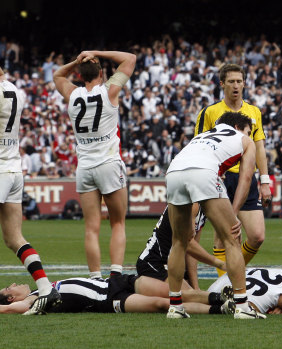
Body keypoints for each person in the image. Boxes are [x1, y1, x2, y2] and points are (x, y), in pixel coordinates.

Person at [166, 112, 263, 319]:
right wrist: (234, 214)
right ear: (238, 127)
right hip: (203, 172)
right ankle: (242, 306)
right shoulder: (244, 140)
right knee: (232, 238)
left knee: (178, 242)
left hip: (174, 171)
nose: (249, 134)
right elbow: (246, 178)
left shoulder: (201, 136)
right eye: (248, 130)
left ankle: (175, 306)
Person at [53, 51, 136, 279]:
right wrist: (97, 53)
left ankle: (95, 278)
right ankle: (116, 276)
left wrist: (76, 61)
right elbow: (130, 59)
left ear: (79, 75)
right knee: (118, 223)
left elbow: (58, 75)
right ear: (101, 73)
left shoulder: (72, 93)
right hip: (109, 163)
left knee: (91, 228)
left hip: (85, 167)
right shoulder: (109, 90)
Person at [194, 64, 271, 276]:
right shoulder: (210, 112)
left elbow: (260, 147)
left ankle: (231, 273)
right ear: (222, 84)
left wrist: (265, 180)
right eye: (231, 81)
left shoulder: (254, 112)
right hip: (221, 177)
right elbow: (198, 144)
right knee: (226, 234)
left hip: (248, 178)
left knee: (257, 236)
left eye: (239, 81)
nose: (236, 85)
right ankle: (225, 283)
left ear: (244, 83)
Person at [0, 66, 61, 315]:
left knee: (14, 238)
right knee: (14, 238)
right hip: (14, 168)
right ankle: (46, 288)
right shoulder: (17, 90)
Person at [0, 275, 234, 315]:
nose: (13, 284)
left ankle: (218, 297)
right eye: (9, 289)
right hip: (108, 300)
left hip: (115, 282)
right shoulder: (33, 300)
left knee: (174, 292)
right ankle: (221, 309)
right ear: (12, 298)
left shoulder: (40, 288)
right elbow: (10, 309)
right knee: (164, 304)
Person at [135, 204, 226, 302]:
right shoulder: (191, 204)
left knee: (194, 296)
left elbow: (192, 253)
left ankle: (224, 300)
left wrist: (195, 287)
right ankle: (225, 300)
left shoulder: (202, 208)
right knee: (191, 298)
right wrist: (219, 263)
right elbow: (188, 242)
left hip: (171, 263)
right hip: (154, 262)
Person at [207, 267, 282, 315]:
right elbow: (242, 309)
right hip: (217, 289)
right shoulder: (261, 302)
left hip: (235, 274)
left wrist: (281, 305)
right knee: (227, 308)